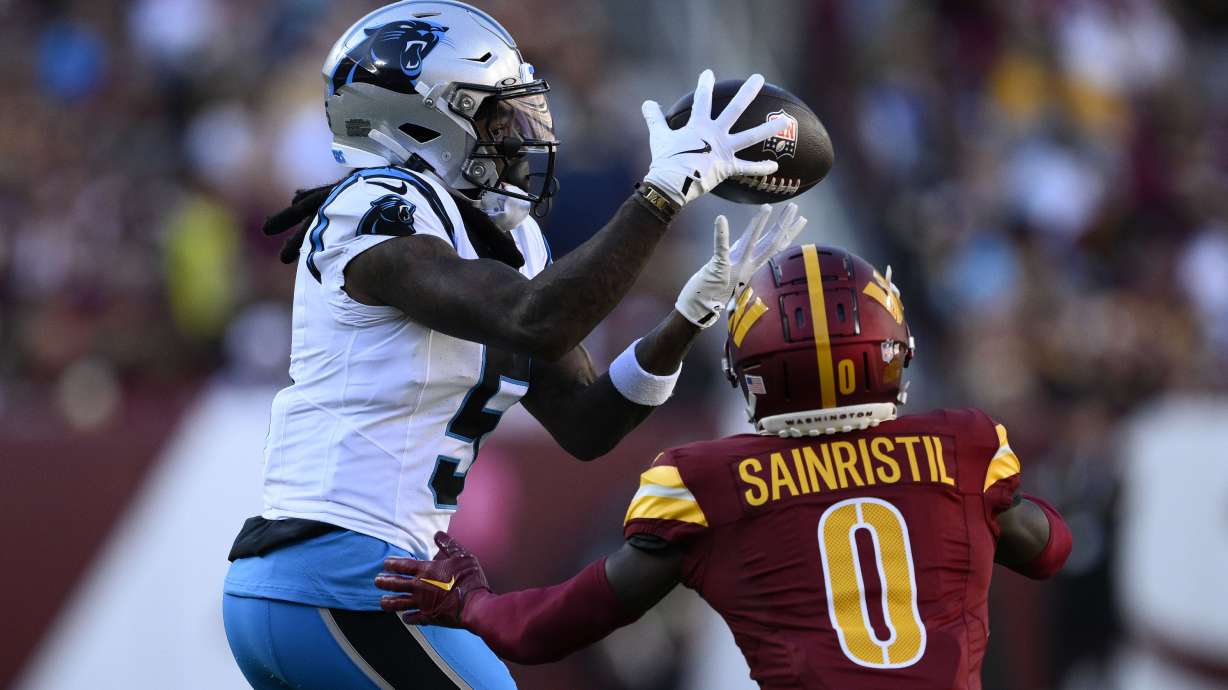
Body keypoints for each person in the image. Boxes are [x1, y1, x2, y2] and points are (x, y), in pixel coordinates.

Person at [220, 1, 799, 687]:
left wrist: (685, 318)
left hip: (348, 580)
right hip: (339, 571)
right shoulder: (376, 205)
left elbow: (588, 422)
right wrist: (661, 193)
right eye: (496, 117)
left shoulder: (508, 239)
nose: (521, 137)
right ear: (418, 120)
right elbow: (535, 320)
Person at [377, 243, 1074, 690]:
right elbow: (1050, 552)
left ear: (750, 370)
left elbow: (552, 627)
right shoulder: (962, 448)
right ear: (892, 349)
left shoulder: (705, 483)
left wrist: (471, 603)